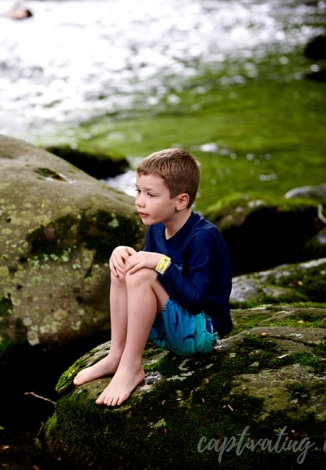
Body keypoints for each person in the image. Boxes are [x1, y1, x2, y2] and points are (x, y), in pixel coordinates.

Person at [73, 148, 233, 406]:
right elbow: (148, 277)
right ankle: (117, 355)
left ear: (180, 201)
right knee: (127, 266)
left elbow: (196, 301)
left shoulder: (203, 237)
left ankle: (131, 367)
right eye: (138, 191)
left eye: (150, 194)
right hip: (169, 328)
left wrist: (160, 262)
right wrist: (123, 255)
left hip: (202, 334)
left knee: (142, 274)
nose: (139, 201)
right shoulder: (158, 228)